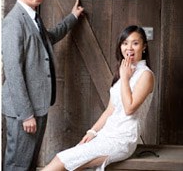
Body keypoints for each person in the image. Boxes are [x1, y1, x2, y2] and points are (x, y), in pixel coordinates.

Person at [2, 0, 84, 171]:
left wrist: (72, 17)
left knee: (28, 163)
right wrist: (26, 114)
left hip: (38, 104)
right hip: (24, 110)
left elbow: (51, 36)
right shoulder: (14, 22)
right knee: (18, 164)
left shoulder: (33, 17)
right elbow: (12, 71)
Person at [42, 25, 155, 171]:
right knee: (70, 161)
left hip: (123, 139)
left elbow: (129, 109)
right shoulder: (123, 72)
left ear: (144, 47)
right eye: (125, 43)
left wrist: (125, 78)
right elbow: (110, 110)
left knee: (62, 160)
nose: (129, 48)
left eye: (135, 43)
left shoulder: (145, 75)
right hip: (106, 134)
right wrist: (92, 131)